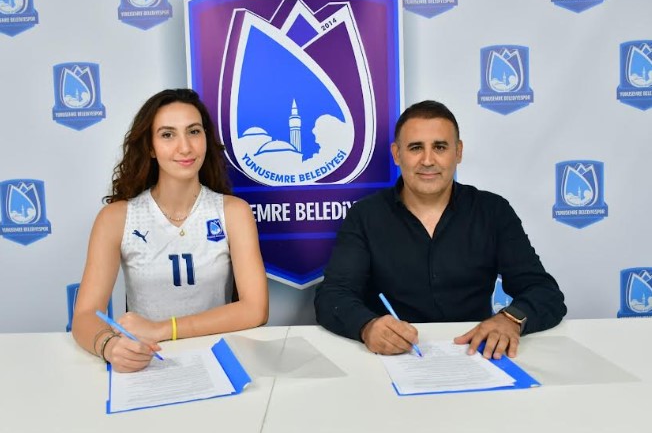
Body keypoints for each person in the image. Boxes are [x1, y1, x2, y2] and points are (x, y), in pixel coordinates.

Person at [314, 100, 566, 360]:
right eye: (415, 148)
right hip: (392, 360)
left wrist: (511, 319)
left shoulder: (493, 211)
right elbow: (332, 296)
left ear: (458, 152)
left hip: (475, 356)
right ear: (397, 154)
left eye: (440, 147)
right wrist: (367, 326)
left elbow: (544, 292)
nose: (427, 160)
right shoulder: (365, 216)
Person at [72, 88, 268, 372]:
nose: (185, 147)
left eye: (194, 132)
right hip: (148, 362)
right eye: (167, 135)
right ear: (150, 147)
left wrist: (163, 329)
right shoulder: (116, 218)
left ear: (206, 139)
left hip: (218, 359)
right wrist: (109, 346)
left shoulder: (234, 212)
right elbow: (86, 314)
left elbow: (255, 309)